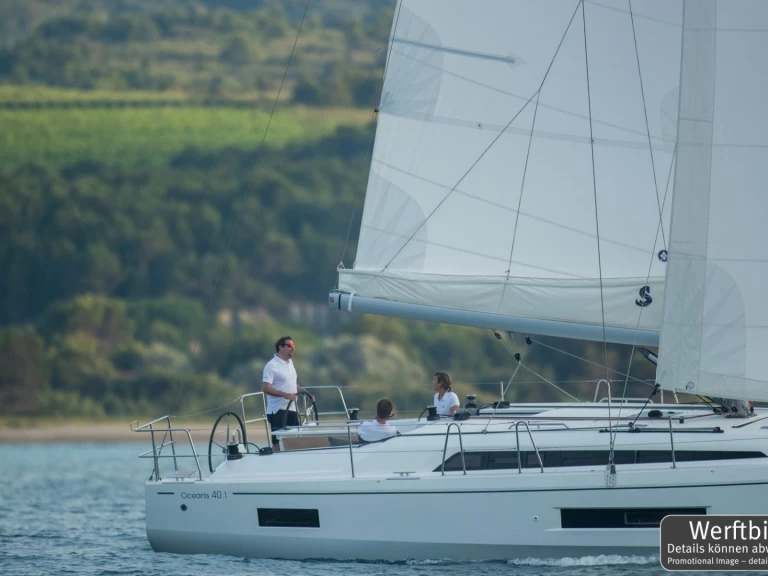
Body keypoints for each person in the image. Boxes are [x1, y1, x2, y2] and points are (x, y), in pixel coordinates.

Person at [262, 336, 314, 450]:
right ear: (281, 347)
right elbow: (266, 388)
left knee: (295, 440)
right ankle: (276, 464)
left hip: (292, 409)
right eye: (290, 346)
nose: (293, 348)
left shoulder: (290, 363)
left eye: (293, 346)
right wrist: (286, 395)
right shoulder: (271, 365)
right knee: (278, 443)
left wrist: (306, 393)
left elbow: (292, 385)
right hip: (277, 410)